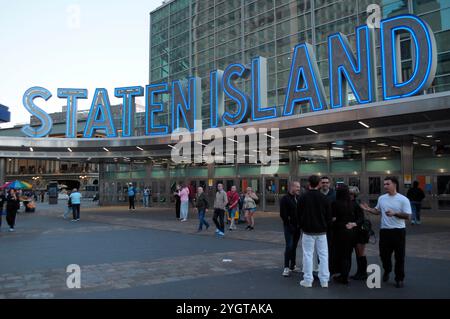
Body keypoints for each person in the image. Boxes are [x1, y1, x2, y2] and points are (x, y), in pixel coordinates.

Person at [360, 176, 412, 288]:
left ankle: (399, 279)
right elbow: (377, 211)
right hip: (385, 232)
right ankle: (387, 269)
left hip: (399, 232)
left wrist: (395, 213)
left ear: (394, 184)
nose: (385, 186)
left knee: (399, 257)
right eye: (384, 184)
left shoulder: (403, 199)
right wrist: (369, 209)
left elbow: (408, 216)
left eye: (387, 184)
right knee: (384, 255)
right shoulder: (382, 198)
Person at [299, 175, 332, 288]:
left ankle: (308, 280)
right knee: (323, 255)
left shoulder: (303, 197)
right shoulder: (324, 198)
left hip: (307, 231)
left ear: (309, 184)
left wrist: (302, 225)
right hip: (322, 231)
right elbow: (329, 216)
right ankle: (324, 280)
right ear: (319, 184)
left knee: (308, 255)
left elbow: (298, 214)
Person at [331, 185, 364, 284]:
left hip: (339, 232)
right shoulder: (353, 204)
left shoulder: (335, 204)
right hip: (351, 233)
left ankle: (342, 275)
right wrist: (354, 224)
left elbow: (332, 219)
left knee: (340, 254)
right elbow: (361, 218)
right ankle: (345, 275)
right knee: (347, 255)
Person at [280, 181, 302, 277]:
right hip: (289, 227)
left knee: (294, 247)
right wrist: (289, 224)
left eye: (299, 187)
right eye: (297, 187)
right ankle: (286, 267)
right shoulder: (285, 199)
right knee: (289, 246)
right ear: (291, 187)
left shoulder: (298, 198)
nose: (298, 189)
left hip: (298, 227)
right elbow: (283, 214)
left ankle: (293, 266)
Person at [349, 186, 369, 280]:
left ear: (354, 195)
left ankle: (362, 273)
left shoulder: (356, 204)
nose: (349, 195)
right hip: (358, 232)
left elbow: (361, 219)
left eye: (351, 194)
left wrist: (354, 223)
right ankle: (360, 272)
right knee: (359, 253)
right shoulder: (353, 203)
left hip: (360, 233)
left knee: (360, 253)